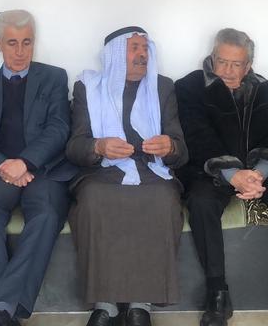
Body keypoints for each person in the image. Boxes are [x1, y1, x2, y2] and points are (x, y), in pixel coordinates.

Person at [175, 28, 268, 326]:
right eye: (221, 61)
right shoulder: (190, 86)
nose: (227, 70)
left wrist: (258, 174)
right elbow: (196, 135)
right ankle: (217, 293)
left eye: (236, 64)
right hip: (211, 171)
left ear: (248, 65)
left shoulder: (265, 89)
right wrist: (232, 174)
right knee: (201, 202)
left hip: (256, 173)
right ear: (212, 57)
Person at [0, 10, 76, 326]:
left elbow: (59, 128)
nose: (20, 51)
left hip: (43, 169)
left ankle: (2, 307)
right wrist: (3, 164)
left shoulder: (54, 78)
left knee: (47, 214)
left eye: (27, 42)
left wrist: (24, 162)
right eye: (12, 43)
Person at [65, 27, 188, 326]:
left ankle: (140, 305)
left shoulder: (162, 87)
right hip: (102, 172)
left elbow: (181, 149)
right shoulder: (88, 88)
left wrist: (170, 146)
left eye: (145, 48)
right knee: (94, 199)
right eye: (134, 48)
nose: (142, 54)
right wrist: (98, 146)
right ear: (117, 53)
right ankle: (105, 304)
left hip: (150, 170)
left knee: (162, 198)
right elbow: (75, 146)